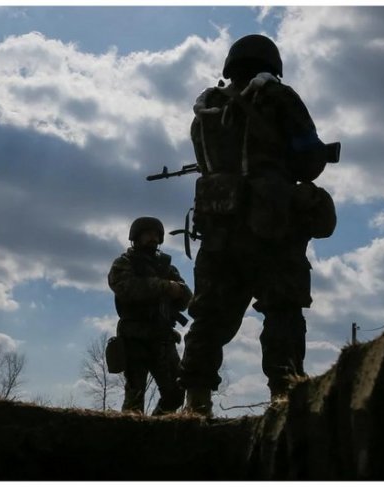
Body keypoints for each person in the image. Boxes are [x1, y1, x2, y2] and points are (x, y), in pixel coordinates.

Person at [178, 34, 337, 416]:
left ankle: (196, 403)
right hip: (273, 227)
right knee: (283, 311)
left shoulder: (206, 111)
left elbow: (207, 160)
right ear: (272, 64)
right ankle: (284, 401)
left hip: (218, 232)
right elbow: (308, 159)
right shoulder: (278, 97)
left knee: (209, 317)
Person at [108, 216, 193, 415]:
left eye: (156, 234)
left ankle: (157, 426)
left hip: (162, 337)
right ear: (136, 237)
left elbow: (185, 298)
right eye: (148, 234)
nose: (153, 238)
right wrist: (165, 287)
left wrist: (177, 290)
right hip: (134, 338)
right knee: (134, 398)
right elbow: (127, 288)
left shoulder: (166, 267)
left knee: (176, 392)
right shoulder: (124, 263)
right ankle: (132, 432)